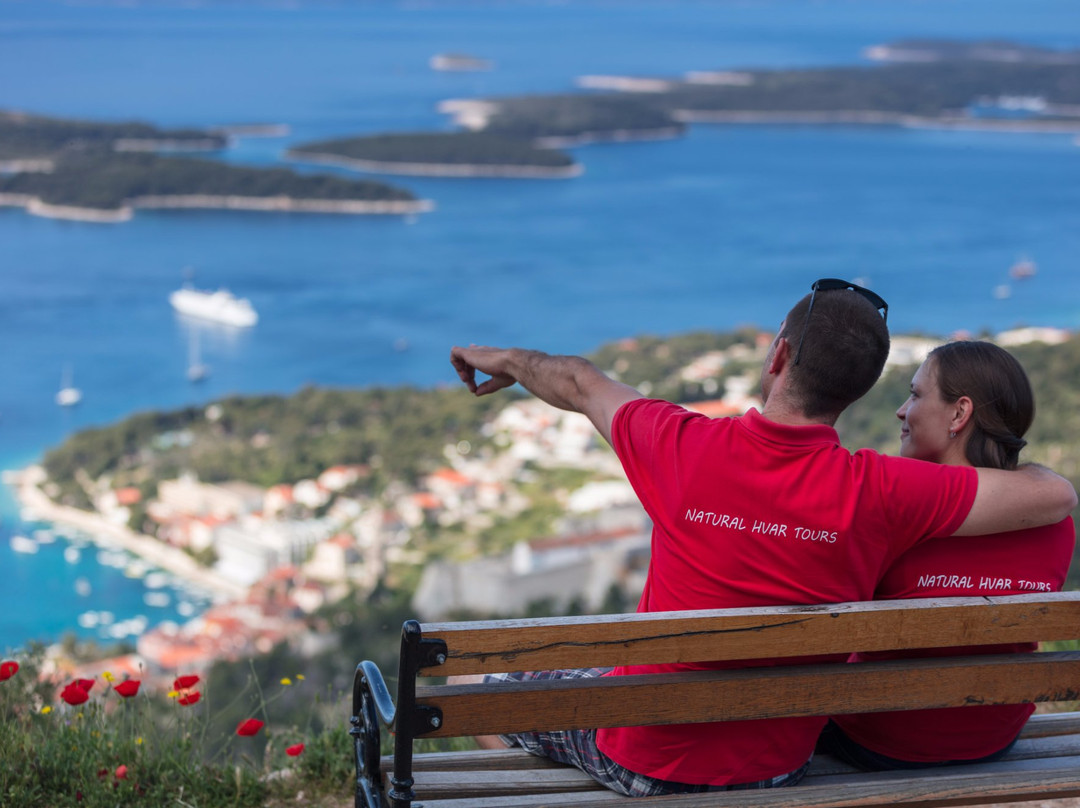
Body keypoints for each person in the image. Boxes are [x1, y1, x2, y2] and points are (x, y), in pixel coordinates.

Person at [448, 279, 1077, 798]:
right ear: (856, 390)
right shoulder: (884, 491)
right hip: (779, 766)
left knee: (470, 688)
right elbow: (1051, 495)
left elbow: (582, 382)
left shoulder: (680, 444)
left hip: (649, 760)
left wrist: (504, 359)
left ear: (777, 357)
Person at [821, 340, 1076, 770]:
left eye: (916, 394)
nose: (902, 410)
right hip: (992, 738)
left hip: (879, 740)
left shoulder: (891, 512)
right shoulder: (1054, 521)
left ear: (959, 413)